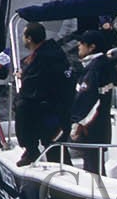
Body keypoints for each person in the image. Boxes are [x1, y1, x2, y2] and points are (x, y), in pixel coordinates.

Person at [14, 21, 74, 165]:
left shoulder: (44, 57)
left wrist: (23, 79)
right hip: (60, 107)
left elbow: (34, 85)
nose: (22, 38)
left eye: (24, 35)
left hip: (52, 110)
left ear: (29, 38)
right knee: (56, 150)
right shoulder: (53, 52)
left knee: (21, 106)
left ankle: (31, 150)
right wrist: (26, 75)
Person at [68, 30, 117, 175]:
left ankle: (97, 189)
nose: (78, 45)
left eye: (82, 43)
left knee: (93, 168)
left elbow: (91, 100)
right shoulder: (103, 65)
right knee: (95, 165)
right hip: (100, 125)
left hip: (91, 127)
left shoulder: (95, 69)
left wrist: (78, 124)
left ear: (92, 47)